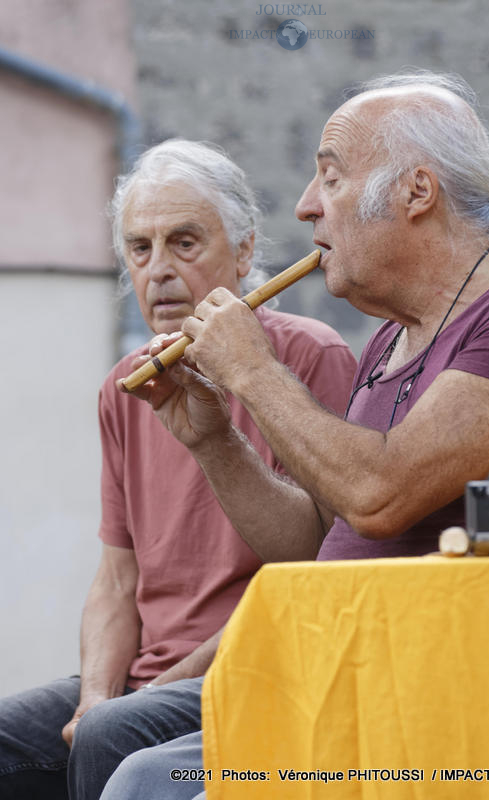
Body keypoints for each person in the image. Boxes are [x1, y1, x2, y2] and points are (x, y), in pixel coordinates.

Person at [99, 69, 489, 800]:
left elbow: (380, 495)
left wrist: (254, 371)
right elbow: (316, 546)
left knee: (146, 781)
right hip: (352, 673)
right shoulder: (389, 342)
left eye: (329, 180)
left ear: (416, 193)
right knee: (139, 770)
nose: (306, 208)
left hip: (443, 703)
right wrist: (212, 439)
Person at [0, 139, 357, 800]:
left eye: (184, 243)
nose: (158, 271)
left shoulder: (309, 356)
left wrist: (141, 697)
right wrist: (97, 694)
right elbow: (117, 577)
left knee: (113, 736)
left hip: (258, 668)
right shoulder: (123, 387)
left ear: (245, 251)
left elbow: (316, 571)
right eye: (140, 249)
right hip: (143, 677)